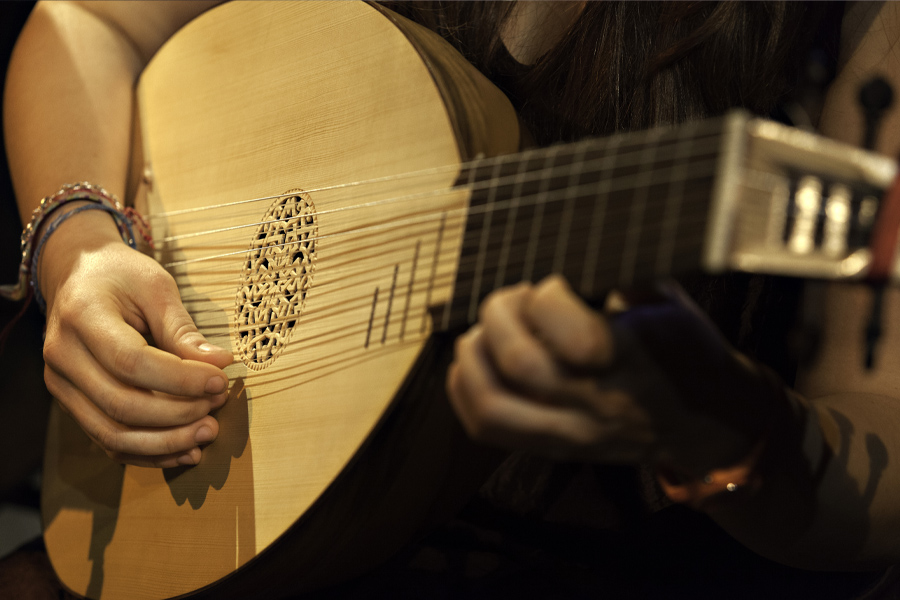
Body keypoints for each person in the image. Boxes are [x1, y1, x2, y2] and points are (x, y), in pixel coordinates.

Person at [4, 0, 900, 596]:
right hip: (203, 536)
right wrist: (78, 244)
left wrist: (730, 429)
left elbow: (881, 441)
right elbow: (91, 19)